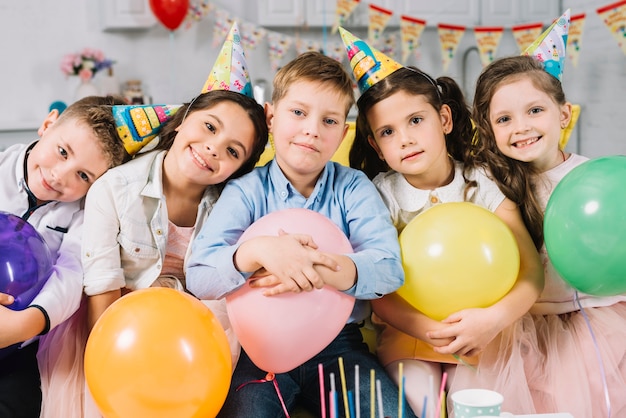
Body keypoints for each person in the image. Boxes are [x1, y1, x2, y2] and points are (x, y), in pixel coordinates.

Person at [186, 50, 416, 418]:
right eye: (298, 112)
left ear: (343, 132)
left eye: (328, 120)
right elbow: (199, 275)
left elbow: (389, 268)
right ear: (272, 117)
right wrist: (258, 251)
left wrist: (315, 268)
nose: (312, 129)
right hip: (259, 349)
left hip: (340, 347)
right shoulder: (246, 191)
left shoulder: (353, 188)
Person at [340, 27, 544, 416]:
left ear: (445, 118)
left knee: (474, 406)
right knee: (423, 407)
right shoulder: (379, 196)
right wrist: (429, 332)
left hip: (483, 335)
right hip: (410, 335)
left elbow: (530, 271)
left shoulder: (483, 182)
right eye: (388, 131)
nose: (405, 138)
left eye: (416, 120)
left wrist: (491, 320)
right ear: (376, 148)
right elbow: (377, 292)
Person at [78, 23, 268, 418]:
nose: (212, 149)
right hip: (122, 333)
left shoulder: (235, 204)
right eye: (209, 127)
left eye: (232, 151)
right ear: (184, 119)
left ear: (238, 167)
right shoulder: (114, 190)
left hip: (199, 346)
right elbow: (102, 289)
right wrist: (112, 366)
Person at [454, 51, 626, 416]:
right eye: (504, 119)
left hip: (597, 315)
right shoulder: (491, 187)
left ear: (563, 114)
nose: (521, 127)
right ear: (489, 130)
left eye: (535, 110)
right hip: (525, 324)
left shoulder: (596, 179)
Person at [0, 94, 128, 418]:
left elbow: (71, 274)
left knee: (22, 404)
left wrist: (28, 322)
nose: (61, 176)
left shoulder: (83, 213)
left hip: (18, 342)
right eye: (62, 152)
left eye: (83, 176)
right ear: (47, 124)